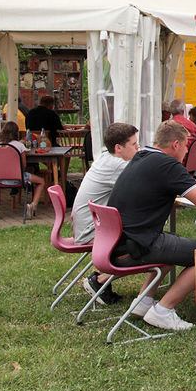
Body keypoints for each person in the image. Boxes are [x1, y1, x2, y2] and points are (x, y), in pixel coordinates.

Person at [105, 121, 196, 331]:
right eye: (186, 145)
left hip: (116, 244)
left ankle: (143, 302)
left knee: (170, 250)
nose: (187, 151)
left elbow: (167, 185)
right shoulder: (168, 165)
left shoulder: (142, 157)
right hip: (136, 246)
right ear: (175, 144)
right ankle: (163, 311)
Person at [70, 122, 140, 305]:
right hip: (92, 232)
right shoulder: (118, 166)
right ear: (118, 148)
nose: (138, 147)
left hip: (86, 227)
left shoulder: (105, 158)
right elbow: (146, 184)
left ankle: (102, 280)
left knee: (141, 237)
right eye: (134, 144)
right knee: (146, 244)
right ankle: (99, 280)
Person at [0, 121, 49, 219]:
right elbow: (24, 165)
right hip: (18, 178)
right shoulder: (20, 145)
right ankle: (32, 205)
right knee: (41, 181)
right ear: (16, 133)